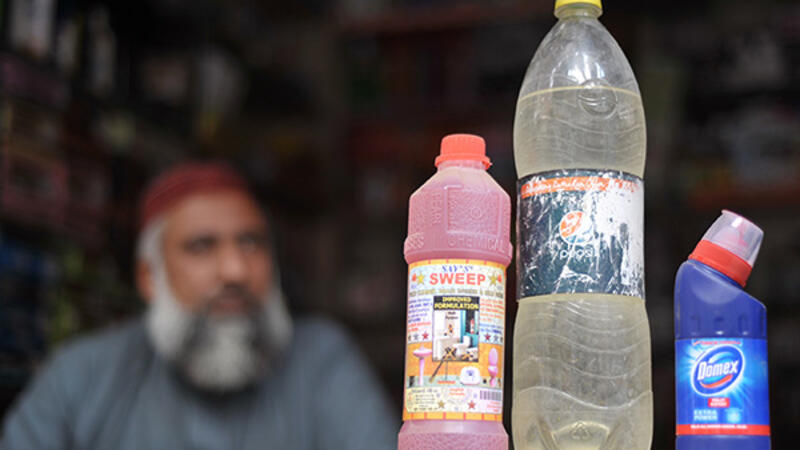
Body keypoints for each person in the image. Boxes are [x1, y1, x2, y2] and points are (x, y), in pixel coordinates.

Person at [1, 162, 397, 449]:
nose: (235, 270)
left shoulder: (322, 360)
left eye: (251, 243)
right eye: (202, 246)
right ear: (149, 277)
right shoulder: (82, 375)